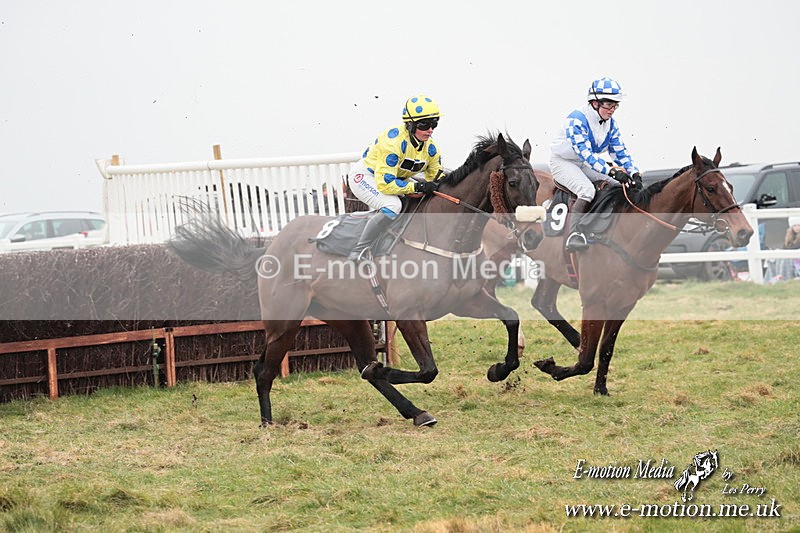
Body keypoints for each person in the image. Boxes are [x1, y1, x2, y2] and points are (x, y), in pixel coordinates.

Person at [550, 77, 642, 252]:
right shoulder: (576, 119)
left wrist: (634, 173)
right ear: (594, 102)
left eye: (615, 105)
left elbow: (619, 152)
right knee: (587, 190)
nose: (612, 109)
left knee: (622, 184)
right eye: (609, 104)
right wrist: (612, 170)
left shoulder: (611, 124)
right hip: (563, 162)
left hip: (584, 163)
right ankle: (574, 234)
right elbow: (586, 154)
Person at [346, 95, 443, 261]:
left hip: (396, 177)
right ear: (410, 124)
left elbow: (436, 176)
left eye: (434, 124)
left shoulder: (431, 147)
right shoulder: (393, 143)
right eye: (425, 124)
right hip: (366, 177)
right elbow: (386, 184)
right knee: (393, 205)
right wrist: (417, 187)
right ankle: (359, 250)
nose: (430, 130)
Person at [764, 216, 800, 283]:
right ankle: (772, 279)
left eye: (799, 225)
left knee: (786, 259)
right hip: (790, 256)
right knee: (773, 259)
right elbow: (785, 248)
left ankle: (785, 278)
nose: (797, 227)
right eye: (795, 225)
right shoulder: (789, 237)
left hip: (796, 257)